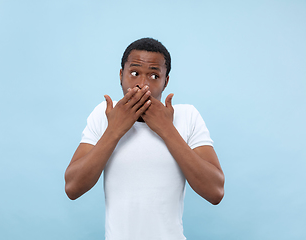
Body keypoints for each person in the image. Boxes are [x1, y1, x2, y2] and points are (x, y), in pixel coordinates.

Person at [64, 37, 224, 240]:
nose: (142, 84)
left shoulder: (187, 116)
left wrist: (167, 129)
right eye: (134, 73)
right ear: (121, 75)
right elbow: (72, 187)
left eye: (154, 76)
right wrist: (115, 130)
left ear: (166, 81)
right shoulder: (104, 114)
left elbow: (215, 191)